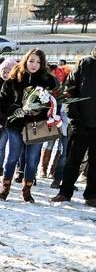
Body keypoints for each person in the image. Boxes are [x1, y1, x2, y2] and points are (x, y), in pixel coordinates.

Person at [0, 48, 58, 203]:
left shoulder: (48, 80)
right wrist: (14, 110)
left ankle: (27, 189)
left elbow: (54, 101)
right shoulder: (14, 78)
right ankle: (5, 188)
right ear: (25, 60)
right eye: (31, 61)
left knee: (32, 159)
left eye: (38, 62)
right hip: (16, 125)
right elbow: (2, 101)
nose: (34, 64)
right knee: (12, 157)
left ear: (42, 64)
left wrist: (41, 110)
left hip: (37, 126)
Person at [51, 47, 96, 206]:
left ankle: (92, 195)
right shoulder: (86, 64)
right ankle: (65, 192)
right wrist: (74, 119)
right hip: (81, 124)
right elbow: (69, 91)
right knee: (72, 160)